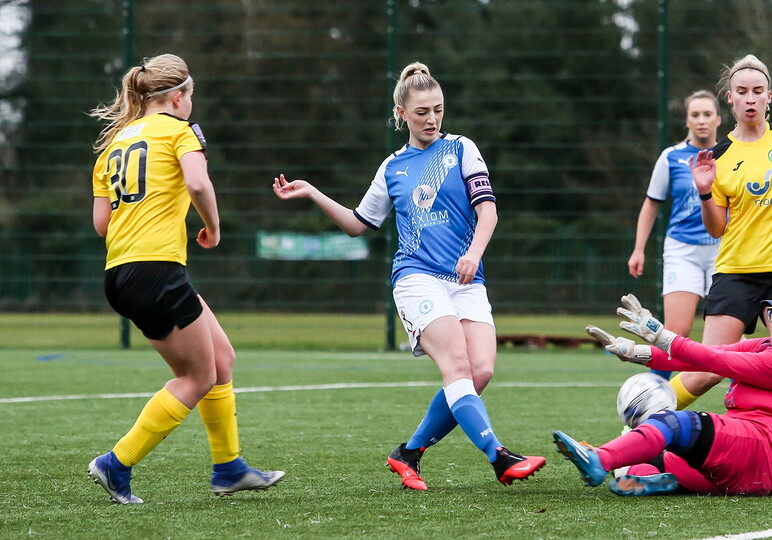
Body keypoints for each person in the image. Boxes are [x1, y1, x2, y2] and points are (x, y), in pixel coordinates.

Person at [272, 61, 545, 490]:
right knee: (456, 363)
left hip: (466, 278)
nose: (433, 119)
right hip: (417, 277)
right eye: (422, 112)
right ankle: (499, 457)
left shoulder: (462, 149)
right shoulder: (391, 169)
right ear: (402, 113)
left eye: (438, 109)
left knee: (482, 371)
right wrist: (311, 191)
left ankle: (409, 452)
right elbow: (359, 223)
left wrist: (474, 253)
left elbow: (487, 209)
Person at [88, 54, 284, 504]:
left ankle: (229, 468)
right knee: (197, 377)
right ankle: (116, 464)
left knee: (221, 359)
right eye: (190, 96)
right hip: (155, 269)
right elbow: (197, 184)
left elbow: (102, 224)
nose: (191, 104)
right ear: (178, 97)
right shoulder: (180, 131)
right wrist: (213, 229)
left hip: (121, 272)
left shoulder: (114, 143)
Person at [554, 287, 772, 496]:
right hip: (743, 467)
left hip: (757, 451)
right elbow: (708, 354)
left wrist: (663, 336)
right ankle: (653, 481)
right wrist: (636, 353)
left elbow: (715, 361)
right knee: (631, 464)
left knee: (671, 423)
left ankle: (598, 460)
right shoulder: (765, 345)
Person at [669, 54, 772, 410]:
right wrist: (704, 191)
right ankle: (640, 425)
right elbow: (717, 227)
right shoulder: (718, 156)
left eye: (758, 91)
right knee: (707, 367)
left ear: (770, 96)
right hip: (736, 270)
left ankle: (767, 457)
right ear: (730, 98)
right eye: (742, 91)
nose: (750, 98)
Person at [627, 90, 722, 380]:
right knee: (676, 332)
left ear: (719, 118)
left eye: (707, 114)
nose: (702, 120)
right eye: (695, 115)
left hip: (725, 249)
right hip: (683, 250)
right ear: (687, 121)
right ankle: (653, 400)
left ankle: (746, 410)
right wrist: (638, 248)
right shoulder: (671, 157)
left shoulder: (732, 154)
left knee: (728, 338)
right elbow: (651, 203)